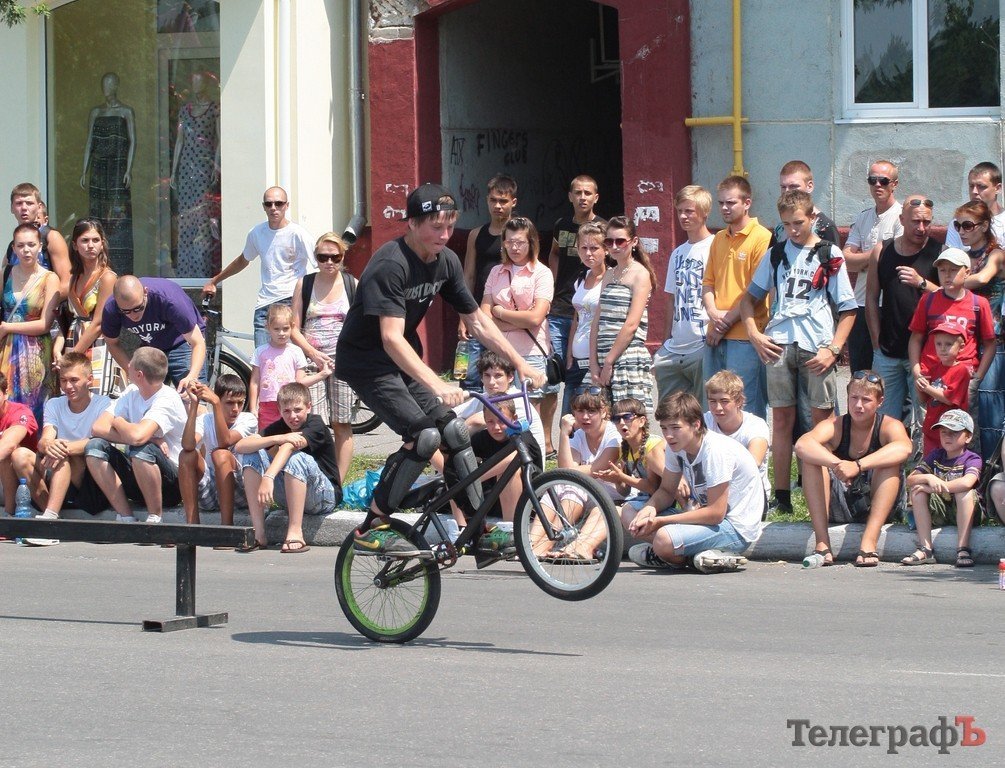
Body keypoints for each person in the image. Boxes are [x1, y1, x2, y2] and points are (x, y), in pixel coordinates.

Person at [336, 183, 545, 557]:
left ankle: (477, 529)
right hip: (368, 363)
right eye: (436, 226)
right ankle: (373, 524)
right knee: (425, 438)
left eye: (450, 226)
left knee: (455, 431)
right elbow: (390, 338)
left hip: (402, 362)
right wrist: (436, 383)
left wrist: (520, 364)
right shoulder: (390, 264)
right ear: (413, 224)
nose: (445, 235)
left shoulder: (446, 260)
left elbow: (477, 321)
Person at [742, 189, 857, 515]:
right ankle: (782, 497)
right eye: (786, 224)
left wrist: (834, 349)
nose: (793, 229)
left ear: (812, 219)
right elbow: (748, 299)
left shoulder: (829, 252)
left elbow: (848, 309)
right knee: (781, 420)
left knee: (821, 421)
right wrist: (754, 334)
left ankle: (820, 492)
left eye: (798, 222)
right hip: (779, 342)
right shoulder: (776, 253)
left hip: (816, 345)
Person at [626, 392, 763, 574]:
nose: (668, 435)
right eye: (664, 428)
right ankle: (693, 555)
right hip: (704, 518)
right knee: (630, 511)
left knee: (663, 540)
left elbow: (716, 513)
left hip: (734, 528)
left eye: (675, 428)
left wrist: (661, 521)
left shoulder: (715, 451)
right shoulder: (676, 447)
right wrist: (649, 508)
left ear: (696, 424)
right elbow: (667, 490)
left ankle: (672, 555)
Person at [794, 371, 913, 567]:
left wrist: (858, 466)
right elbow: (802, 445)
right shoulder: (836, 425)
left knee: (889, 461)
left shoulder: (889, 425)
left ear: (880, 401)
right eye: (854, 398)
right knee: (811, 460)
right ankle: (822, 543)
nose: (858, 405)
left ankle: (869, 542)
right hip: (841, 501)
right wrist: (837, 465)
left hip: (879, 503)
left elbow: (904, 448)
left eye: (866, 400)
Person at [202, 186, 316, 348]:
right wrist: (215, 280)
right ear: (263, 206)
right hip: (265, 304)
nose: (274, 208)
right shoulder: (257, 233)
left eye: (279, 203)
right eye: (269, 204)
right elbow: (243, 260)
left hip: (292, 301)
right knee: (264, 360)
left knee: (292, 361)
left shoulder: (298, 234)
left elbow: (320, 264)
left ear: (286, 205)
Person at [236, 382, 342, 554]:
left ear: (309, 407)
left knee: (296, 458)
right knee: (251, 453)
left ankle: (295, 532)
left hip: (323, 496)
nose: (293, 416)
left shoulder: (316, 424)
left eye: (298, 410)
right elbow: (241, 445)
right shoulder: (282, 427)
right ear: (280, 411)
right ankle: (259, 533)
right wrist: (278, 437)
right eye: (286, 411)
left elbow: (289, 446)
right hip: (291, 493)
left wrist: (268, 477)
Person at [84, 347, 187, 524]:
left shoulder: (167, 399)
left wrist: (118, 421)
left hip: (171, 483)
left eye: (131, 363)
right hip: (137, 472)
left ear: (139, 374)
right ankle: (126, 516)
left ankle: (155, 517)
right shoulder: (131, 391)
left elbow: (138, 438)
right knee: (94, 446)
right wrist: (151, 437)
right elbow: (98, 427)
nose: (127, 364)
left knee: (142, 448)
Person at [865, 195, 942, 432]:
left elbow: (951, 298)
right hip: (887, 351)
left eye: (927, 222)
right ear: (902, 220)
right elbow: (870, 297)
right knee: (882, 421)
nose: (921, 228)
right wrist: (876, 340)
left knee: (925, 421)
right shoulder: (883, 250)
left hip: (924, 354)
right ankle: (885, 468)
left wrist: (922, 283)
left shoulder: (939, 252)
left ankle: (920, 469)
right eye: (915, 222)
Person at [908, 248, 994, 451]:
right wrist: (916, 370)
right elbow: (916, 337)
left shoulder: (978, 304)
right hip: (930, 376)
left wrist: (977, 377)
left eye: (953, 270)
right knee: (931, 428)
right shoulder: (928, 300)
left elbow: (989, 343)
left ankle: (967, 476)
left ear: (967, 271)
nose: (947, 275)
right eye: (943, 270)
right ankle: (931, 470)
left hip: (962, 378)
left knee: (964, 431)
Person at [13, 353, 111, 531]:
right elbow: (44, 441)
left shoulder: (104, 403)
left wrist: (60, 448)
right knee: (20, 455)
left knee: (65, 455)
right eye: (63, 380)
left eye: (74, 380)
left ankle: (49, 521)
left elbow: (101, 442)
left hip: (88, 478)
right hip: (57, 469)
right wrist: (50, 446)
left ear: (90, 379)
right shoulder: (54, 404)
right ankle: (51, 516)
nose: (68, 386)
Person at [544, 175, 605, 459]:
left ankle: (588, 442)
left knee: (588, 381)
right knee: (555, 376)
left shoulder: (601, 228)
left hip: (586, 311)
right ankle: (551, 441)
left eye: (588, 193)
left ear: (596, 197)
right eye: (577, 192)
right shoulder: (561, 225)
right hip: (560, 309)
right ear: (570, 196)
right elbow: (554, 254)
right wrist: (551, 288)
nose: (582, 197)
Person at [702, 175, 773, 419]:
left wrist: (723, 323)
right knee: (713, 407)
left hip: (745, 335)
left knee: (745, 406)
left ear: (747, 203)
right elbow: (708, 283)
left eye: (730, 203)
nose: (724, 208)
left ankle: (753, 457)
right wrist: (713, 315)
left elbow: (753, 290)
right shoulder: (719, 238)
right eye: (721, 203)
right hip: (715, 334)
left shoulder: (762, 237)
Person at [290, 232, 357, 482]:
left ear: (342, 257)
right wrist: (312, 352)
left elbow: (361, 324)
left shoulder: (352, 284)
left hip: (343, 361)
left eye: (335, 257)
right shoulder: (304, 284)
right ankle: (318, 476)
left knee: (342, 422)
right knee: (313, 422)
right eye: (322, 257)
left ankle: (337, 481)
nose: (329, 262)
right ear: (316, 258)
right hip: (311, 361)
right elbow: (294, 327)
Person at [481, 216, 554, 441]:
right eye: (509, 241)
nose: (514, 247)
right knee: (496, 408)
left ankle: (533, 459)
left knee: (527, 411)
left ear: (531, 242)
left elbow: (535, 318)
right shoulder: (496, 272)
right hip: (499, 351)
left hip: (530, 351)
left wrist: (500, 313)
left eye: (520, 242)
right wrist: (515, 318)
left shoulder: (542, 273)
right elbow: (484, 315)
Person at [953, 199, 1005, 461]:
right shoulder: (962, 257)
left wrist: (943, 285)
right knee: (969, 404)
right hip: (968, 339)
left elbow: (983, 278)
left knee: (989, 402)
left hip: (994, 339)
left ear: (984, 226)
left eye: (968, 225)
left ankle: (993, 469)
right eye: (957, 225)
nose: (962, 231)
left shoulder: (995, 254)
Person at [652, 185, 713, 405]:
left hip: (702, 341)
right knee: (671, 412)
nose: (683, 216)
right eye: (680, 211)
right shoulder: (677, 252)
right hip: (675, 344)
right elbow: (671, 298)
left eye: (689, 211)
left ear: (704, 212)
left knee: (703, 411)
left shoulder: (715, 246)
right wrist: (665, 340)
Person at [843, 160, 903, 373]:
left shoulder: (902, 217)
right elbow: (846, 260)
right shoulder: (863, 217)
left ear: (894, 184)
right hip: (860, 303)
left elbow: (895, 260)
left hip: (888, 305)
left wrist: (863, 260)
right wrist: (878, 255)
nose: (878, 185)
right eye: (872, 180)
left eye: (883, 181)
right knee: (859, 371)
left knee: (887, 374)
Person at [590, 215, 657, 409]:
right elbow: (597, 320)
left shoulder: (640, 274)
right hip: (602, 356)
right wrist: (594, 363)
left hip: (627, 357)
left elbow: (631, 324)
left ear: (633, 242)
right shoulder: (609, 274)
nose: (614, 246)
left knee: (629, 419)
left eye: (620, 241)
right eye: (609, 241)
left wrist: (609, 362)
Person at [460, 174, 518, 392]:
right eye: (493, 200)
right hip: (477, 313)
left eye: (503, 201)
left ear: (513, 202)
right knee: (471, 378)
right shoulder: (476, 234)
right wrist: (463, 316)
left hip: (508, 316)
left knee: (504, 376)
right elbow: (468, 275)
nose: (498, 206)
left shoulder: (521, 235)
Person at [101, 275, 207, 393]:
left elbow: (197, 342)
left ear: (145, 292)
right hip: (151, 347)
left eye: (138, 308)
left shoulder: (170, 300)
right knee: (145, 397)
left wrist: (192, 376)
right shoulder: (111, 308)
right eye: (125, 311)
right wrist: (130, 370)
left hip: (182, 340)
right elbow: (111, 343)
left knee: (191, 394)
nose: (133, 315)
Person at [903, 409, 980, 568]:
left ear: (968, 437)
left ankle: (963, 548)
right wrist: (928, 477)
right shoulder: (936, 455)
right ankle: (926, 549)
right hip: (941, 511)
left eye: (954, 432)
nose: (947, 436)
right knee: (917, 489)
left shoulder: (972, 458)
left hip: (968, 512)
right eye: (944, 432)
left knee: (963, 493)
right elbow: (910, 479)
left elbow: (967, 482)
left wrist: (934, 488)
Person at [178, 376, 257, 529]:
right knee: (186, 455)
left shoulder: (248, 420)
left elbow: (224, 441)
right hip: (212, 490)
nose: (235, 408)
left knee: (220, 454)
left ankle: (226, 527)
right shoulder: (205, 419)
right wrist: (194, 405)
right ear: (219, 400)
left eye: (240, 403)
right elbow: (187, 445)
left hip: (239, 491)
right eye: (229, 403)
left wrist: (215, 403)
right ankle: (192, 526)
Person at [0, 224, 60, 425]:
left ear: (40, 246)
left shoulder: (50, 278)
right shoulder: (5, 273)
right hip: (5, 349)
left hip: (35, 352)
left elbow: (44, 324)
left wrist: (8, 328)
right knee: (5, 400)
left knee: (34, 403)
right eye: (21, 245)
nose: (26, 250)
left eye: (31, 244)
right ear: (14, 248)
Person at [79, 73, 136, 275]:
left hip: (118, 169)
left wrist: (129, 169)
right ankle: (97, 269)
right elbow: (89, 143)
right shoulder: (96, 112)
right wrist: (85, 171)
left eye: (110, 84)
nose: (106, 88)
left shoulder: (126, 111)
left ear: (117, 86)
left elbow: (132, 142)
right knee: (98, 216)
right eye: (104, 84)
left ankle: (120, 271)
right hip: (99, 169)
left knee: (118, 216)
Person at [170, 71, 221, 278]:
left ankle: (202, 273)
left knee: (201, 218)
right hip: (185, 169)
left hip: (204, 167)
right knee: (185, 219)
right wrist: (173, 171)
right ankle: (185, 274)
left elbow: (220, 140)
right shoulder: (185, 110)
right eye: (193, 81)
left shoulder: (214, 109)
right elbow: (179, 141)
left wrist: (216, 166)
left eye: (199, 81)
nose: (195, 85)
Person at [249, 303, 331, 431]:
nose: (281, 333)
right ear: (268, 327)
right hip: (268, 405)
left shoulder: (296, 351)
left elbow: (300, 382)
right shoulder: (260, 352)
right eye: (276, 329)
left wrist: (322, 374)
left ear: (292, 327)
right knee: (267, 440)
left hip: (291, 406)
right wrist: (253, 407)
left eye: (285, 329)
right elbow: (254, 382)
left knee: (291, 439)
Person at [63, 218, 120, 394]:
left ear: (102, 244)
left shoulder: (107, 277)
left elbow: (98, 323)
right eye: (85, 240)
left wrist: (72, 357)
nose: (90, 245)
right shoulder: (74, 277)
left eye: (95, 240)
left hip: (99, 343)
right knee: (74, 397)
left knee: (96, 395)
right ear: (74, 245)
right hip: (74, 337)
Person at [595, 397, 665, 526]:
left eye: (627, 417)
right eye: (616, 419)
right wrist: (617, 481)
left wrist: (622, 477)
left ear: (642, 421)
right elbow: (625, 491)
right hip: (642, 501)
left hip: (660, 504)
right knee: (600, 511)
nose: (622, 423)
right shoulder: (625, 448)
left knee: (605, 513)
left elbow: (653, 488)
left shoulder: (652, 446)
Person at [703, 370, 770, 501]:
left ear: (738, 401)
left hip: (748, 497)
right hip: (711, 493)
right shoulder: (705, 422)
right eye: (712, 401)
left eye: (724, 401)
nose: (718, 408)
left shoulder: (756, 426)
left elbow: (753, 463)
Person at [563, 220, 607, 415]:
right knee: (568, 418)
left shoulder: (611, 279)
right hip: (576, 360)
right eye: (584, 248)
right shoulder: (581, 278)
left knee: (591, 417)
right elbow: (577, 318)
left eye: (594, 248)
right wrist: (569, 354)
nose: (588, 253)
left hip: (595, 360)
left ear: (606, 249)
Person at [7, 182, 71, 299]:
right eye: (19, 203)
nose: (24, 208)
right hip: (14, 315)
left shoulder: (51, 237)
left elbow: (66, 284)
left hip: (45, 314)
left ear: (39, 207)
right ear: (12, 208)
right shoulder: (12, 246)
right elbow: (5, 283)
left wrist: (39, 304)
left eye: (30, 203)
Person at [915, 323, 970, 456]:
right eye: (938, 344)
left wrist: (927, 387)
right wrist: (919, 385)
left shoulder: (961, 370)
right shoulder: (934, 369)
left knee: (950, 462)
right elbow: (923, 399)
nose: (943, 349)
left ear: (961, 347)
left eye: (948, 344)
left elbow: (949, 399)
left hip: (952, 430)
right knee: (930, 463)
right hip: (931, 427)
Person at [772, 160, 840, 245]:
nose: (787, 192)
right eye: (783, 187)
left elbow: (833, 257)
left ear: (809, 186)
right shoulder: (780, 229)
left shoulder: (825, 226)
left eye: (793, 186)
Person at [0, 370, 39, 517]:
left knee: (10, 452)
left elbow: (8, 444)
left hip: (24, 481)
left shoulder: (20, 412)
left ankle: (8, 516)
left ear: (6, 393)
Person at [944, 162, 1005, 250]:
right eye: (971, 186)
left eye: (981, 186)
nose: (974, 191)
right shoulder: (958, 222)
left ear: (997, 188)